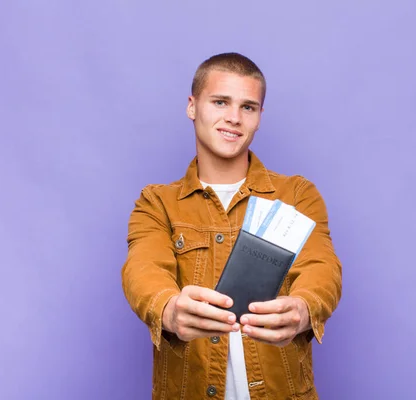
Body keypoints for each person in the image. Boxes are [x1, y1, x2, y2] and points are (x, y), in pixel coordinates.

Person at [121, 52, 342, 399]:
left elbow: (322, 267)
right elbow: (143, 270)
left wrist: (303, 308)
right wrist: (168, 308)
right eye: (220, 102)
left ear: (259, 117)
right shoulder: (156, 202)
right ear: (192, 106)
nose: (234, 118)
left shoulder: (297, 194)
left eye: (248, 107)